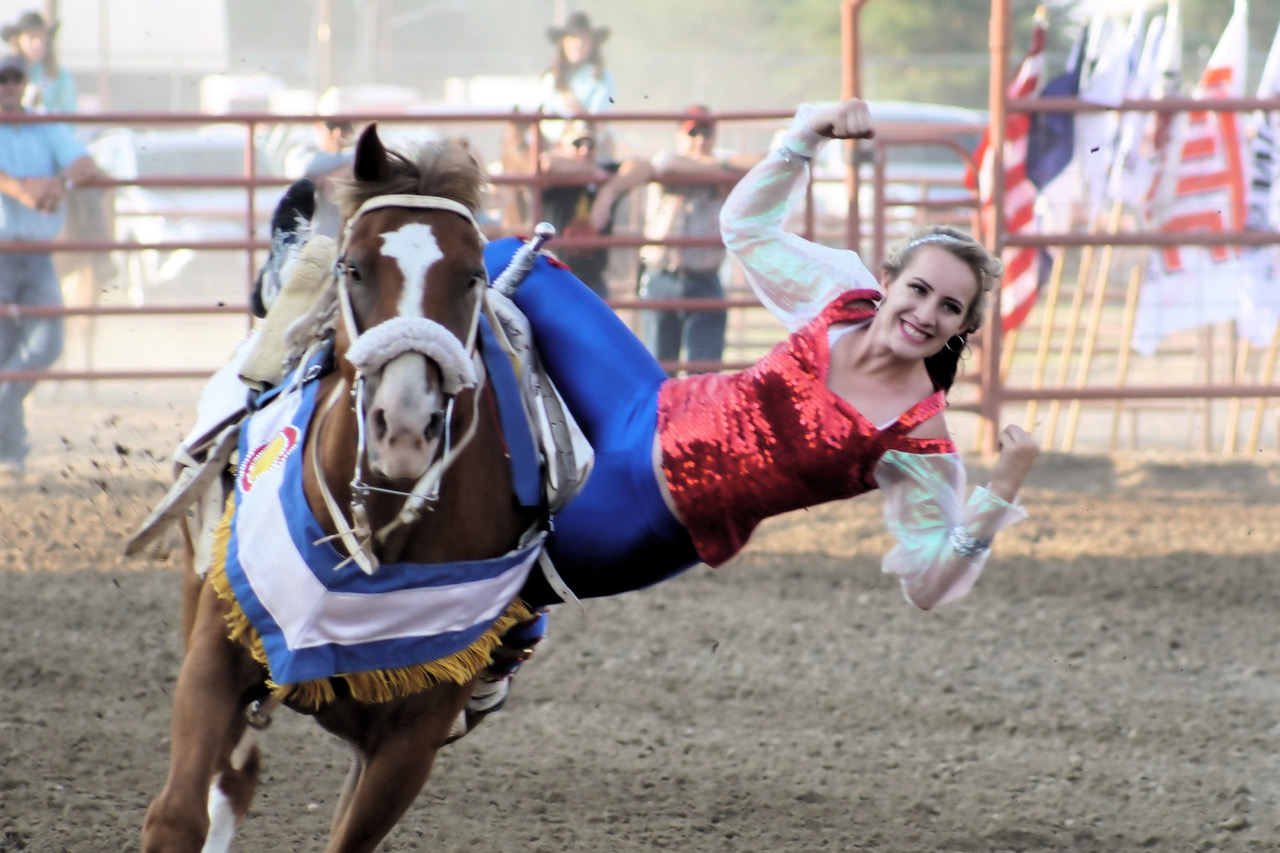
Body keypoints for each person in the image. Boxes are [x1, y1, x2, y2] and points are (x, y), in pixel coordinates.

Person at [482, 96, 1041, 611]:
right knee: (510, 261)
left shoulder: (918, 435)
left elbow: (927, 586)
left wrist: (1002, 489)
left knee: (484, 591)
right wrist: (806, 136)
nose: (924, 314)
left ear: (963, 326)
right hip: (642, 404)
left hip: (647, 519)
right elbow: (745, 226)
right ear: (890, 281)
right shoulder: (844, 296)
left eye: (948, 308)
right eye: (917, 290)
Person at [0, 52, 105, 473]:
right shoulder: (42, 127)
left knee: (46, 344)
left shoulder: (44, 126)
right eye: (2, 80)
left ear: (24, 83)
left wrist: (58, 183)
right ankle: (12, 448)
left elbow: (85, 163)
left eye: (14, 79)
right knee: (9, 350)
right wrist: (20, 189)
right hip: (4, 251)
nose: (8, 86)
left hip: (37, 252)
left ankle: (8, 439)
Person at [640, 105, 762, 373]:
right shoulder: (672, 165)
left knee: (705, 375)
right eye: (692, 133)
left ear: (714, 138)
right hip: (663, 276)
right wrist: (721, 167)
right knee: (658, 372)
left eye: (706, 133)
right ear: (679, 136)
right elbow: (667, 163)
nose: (699, 140)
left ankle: (697, 416)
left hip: (704, 278)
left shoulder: (723, 171)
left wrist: (720, 168)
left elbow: (766, 164)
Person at [537, 119, 651, 299]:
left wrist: (608, 192)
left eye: (591, 144)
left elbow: (643, 166)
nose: (585, 150)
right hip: (555, 278)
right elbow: (547, 163)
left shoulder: (604, 174)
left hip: (592, 282)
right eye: (577, 143)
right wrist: (590, 170)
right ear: (560, 147)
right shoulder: (557, 178)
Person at [539, 11, 615, 159]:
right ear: (563, 42)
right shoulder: (550, 79)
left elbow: (599, 119)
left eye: (584, 38)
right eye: (573, 37)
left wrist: (582, 131)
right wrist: (566, 135)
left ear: (592, 43)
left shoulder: (601, 77)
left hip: (594, 150)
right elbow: (547, 122)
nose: (578, 44)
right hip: (560, 150)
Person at [284, 118, 356, 238]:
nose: (337, 134)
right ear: (318, 126)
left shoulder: (359, 154)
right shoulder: (301, 153)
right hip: (309, 241)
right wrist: (344, 168)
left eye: (345, 126)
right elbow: (307, 166)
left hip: (343, 242)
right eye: (331, 125)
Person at [1, 11, 73, 114]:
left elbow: (69, 115)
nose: (37, 44)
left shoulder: (60, 75)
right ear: (18, 40)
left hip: (50, 128)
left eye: (41, 37)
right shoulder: (6, 73)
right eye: (31, 37)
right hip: (13, 127)